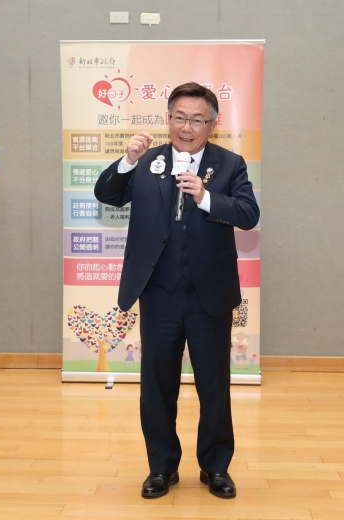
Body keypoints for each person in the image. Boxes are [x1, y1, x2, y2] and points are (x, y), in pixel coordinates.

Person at [94, 82, 259, 499]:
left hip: (210, 295)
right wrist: (127, 161)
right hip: (159, 293)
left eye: (197, 120)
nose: (187, 127)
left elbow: (248, 214)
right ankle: (161, 468)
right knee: (157, 384)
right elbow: (106, 193)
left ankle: (215, 467)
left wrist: (206, 197)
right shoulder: (145, 160)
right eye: (180, 117)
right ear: (168, 119)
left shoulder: (229, 164)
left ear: (213, 123)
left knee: (214, 384)